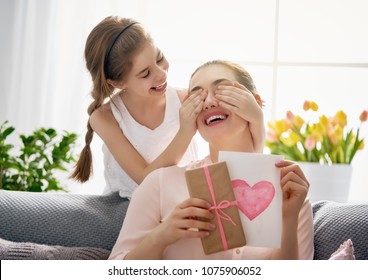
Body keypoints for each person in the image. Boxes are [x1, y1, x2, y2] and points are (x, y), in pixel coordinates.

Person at [108, 60, 314, 260]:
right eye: (197, 97)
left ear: (256, 102)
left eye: (223, 91)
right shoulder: (161, 183)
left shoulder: (289, 193)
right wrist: (161, 236)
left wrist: (289, 219)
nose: (208, 102)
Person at [71, 16, 205, 198]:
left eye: (159, 59)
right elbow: (145, 178)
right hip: (129, 206)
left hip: (182, 201)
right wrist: (186, 131)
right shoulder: (105, 118)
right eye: (145, 74)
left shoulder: (185, 99)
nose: (161, 73)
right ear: (118, 83)